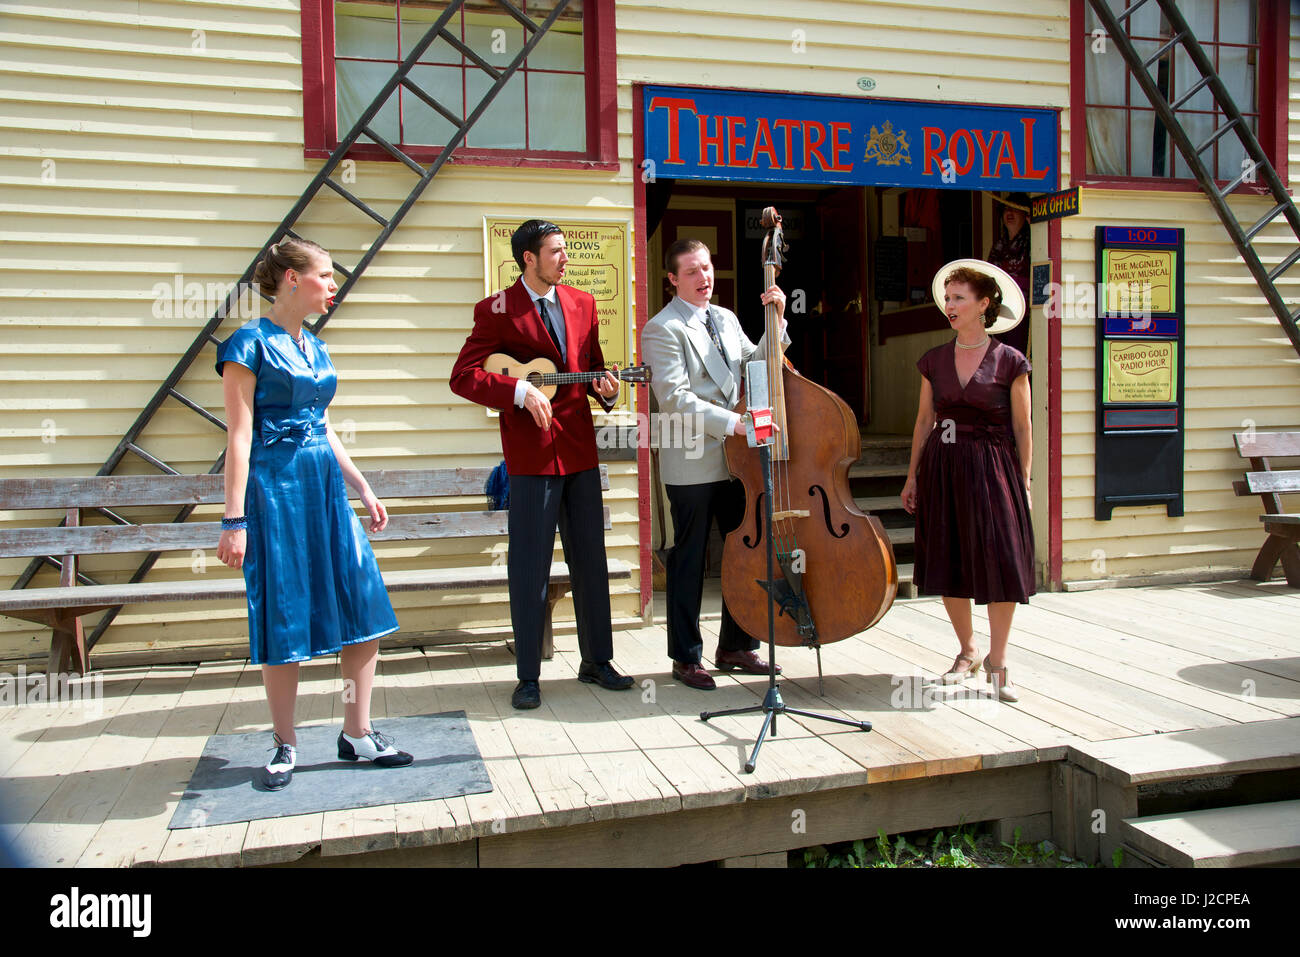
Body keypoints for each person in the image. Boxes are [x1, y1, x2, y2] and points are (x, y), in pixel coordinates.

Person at [216, 236, 413, 791]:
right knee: (285, 612)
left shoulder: (315, 347)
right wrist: (234, 521)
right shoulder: (248, 344)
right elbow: (238, 434)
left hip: (325, 485)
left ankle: (357, 733)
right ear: (291, 280)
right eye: (325, 275)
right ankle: (286, 742)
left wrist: (363, 486)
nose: (333, 284)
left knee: (363, 603)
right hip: (275, 492)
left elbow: (322, 425)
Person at [449, 220, 634, 710]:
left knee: (589, 558)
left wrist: (609, 390)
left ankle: (597, 660)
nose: (565, 258)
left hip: (579, 452)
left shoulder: (582, 303)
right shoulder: (495, 310)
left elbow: (595, 368)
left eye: (566, 249)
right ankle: (528, 674)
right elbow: (462, 377)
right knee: (529, 566)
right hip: (530, 459)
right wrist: (518, 389)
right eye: (555, 251)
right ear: (528, 258)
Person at [640, 238, 788, 691]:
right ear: (672, 279)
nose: (703, 278)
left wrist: (776, 321)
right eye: (691, 272)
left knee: (745, 549)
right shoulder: (661, 328)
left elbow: (758, 367)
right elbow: (676, 399)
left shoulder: (724, 317)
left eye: (706, 268)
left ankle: (736, 645)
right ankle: (686, 657)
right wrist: (735, 424)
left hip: (737, 456)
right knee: (689, 559)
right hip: (693, 459)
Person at [899, 259, 1033, 703]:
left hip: (994, 468)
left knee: (1000, 560)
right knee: (947, 555)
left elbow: (1024, 426)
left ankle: (998, 661)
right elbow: (923, 421)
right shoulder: (934, 360)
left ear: (984, 304)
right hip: (943, 465)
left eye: (959, 298)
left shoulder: (1010, 360)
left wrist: (1025, 483)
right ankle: (967, 651)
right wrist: (912, 476)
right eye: (947, 298)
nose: (950, 306)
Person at [987, 193, 1032, 358]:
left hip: (1022, 313)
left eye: (1015, 209)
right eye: (1006, 210)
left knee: (1016, 359)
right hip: (998, 312)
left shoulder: (1032, 241)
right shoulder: (999, 245)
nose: (1009, 214)